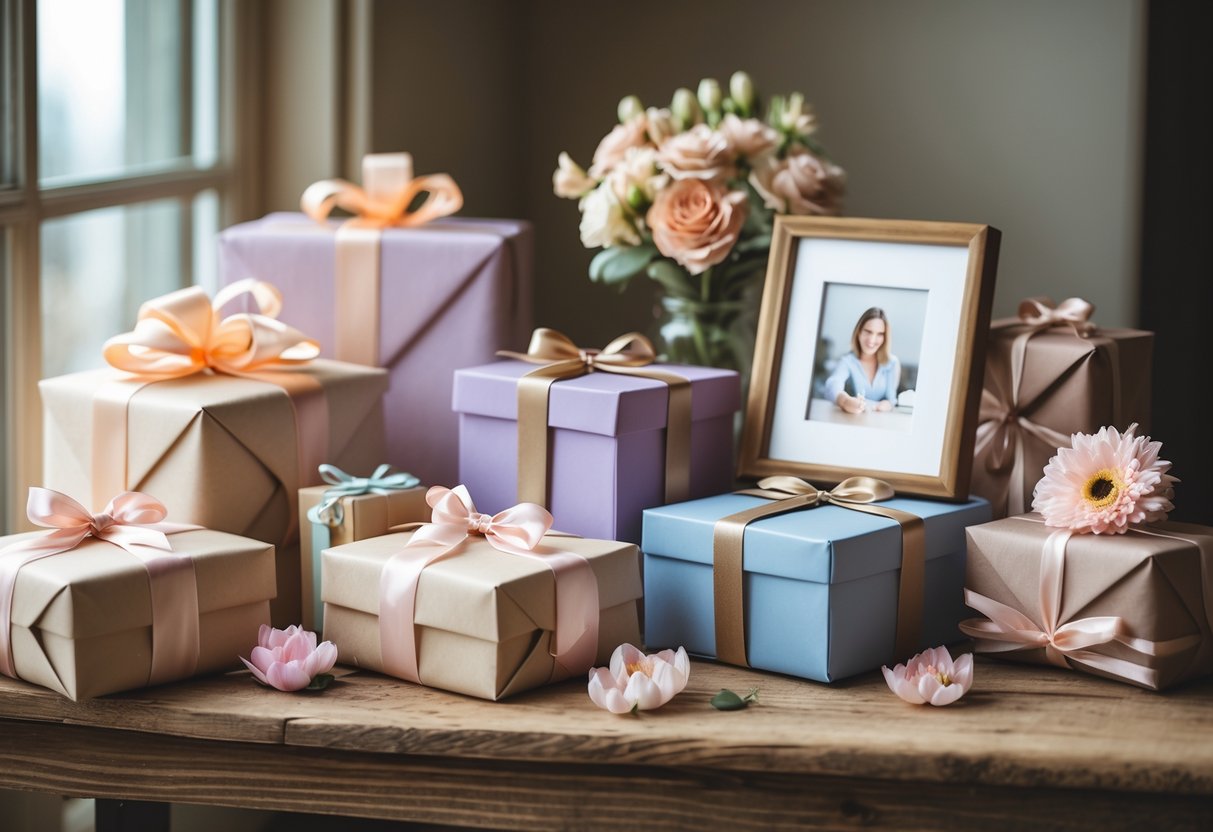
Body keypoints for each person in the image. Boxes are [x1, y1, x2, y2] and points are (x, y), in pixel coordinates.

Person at [823, 307, 900, 414]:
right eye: (868, 332)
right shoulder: (847, 361)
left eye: (880, 334)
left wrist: (887, 405)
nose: (872, 340)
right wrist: (845, 401)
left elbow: (891, 399)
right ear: (859, 332)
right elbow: (832, 384)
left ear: (884, 337)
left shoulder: (892, 363)